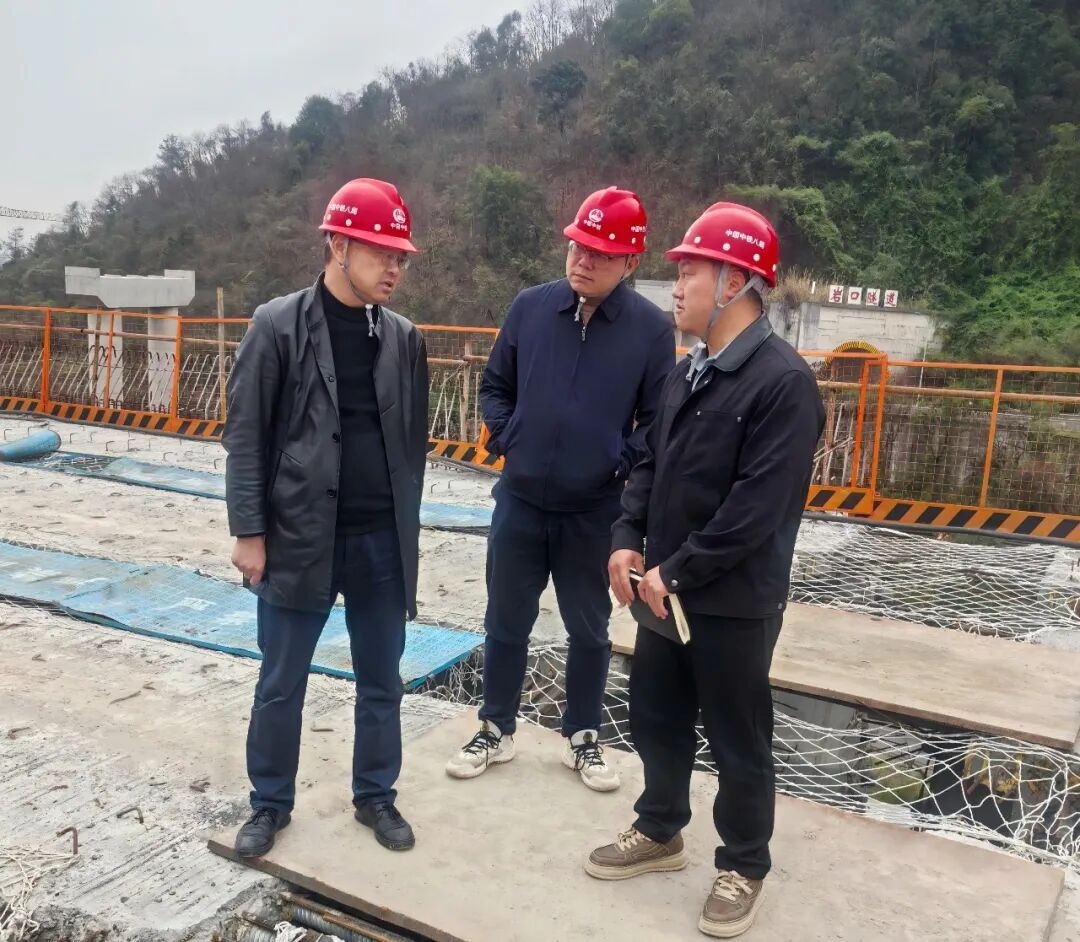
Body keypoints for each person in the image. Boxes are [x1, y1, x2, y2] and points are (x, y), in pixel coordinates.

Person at [587, 203, 825, 938]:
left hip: (732, 602)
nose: (676, 286)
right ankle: (660, 828)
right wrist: (627, 538)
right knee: (655, 716)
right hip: (664, 593)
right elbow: (649, 465)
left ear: (734, 282)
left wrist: (679, 570)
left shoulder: (783, 384)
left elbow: (757, 509)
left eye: (689, 271)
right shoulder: (685, 373)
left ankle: (744, 864)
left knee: (736, 736)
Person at [224, 178, 429, 857]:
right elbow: (246, 437)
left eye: (400, 257)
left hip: (379, 543)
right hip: (297, 538)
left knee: (382, 681)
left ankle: (376, 796)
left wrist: (404, 534)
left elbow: (411, 447)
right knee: (281, 682)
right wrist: (250, 532)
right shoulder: (277, 326)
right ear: (338, 244)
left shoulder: (403, 339)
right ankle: (268, 804)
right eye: (380, 253)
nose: (393, 268)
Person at [446, 187, 674, 791]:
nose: (583, 260)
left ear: (630, 262)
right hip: (520, 501)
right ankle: (495, 728)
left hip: (593, 511)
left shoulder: (651, 330)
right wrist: (511, 436)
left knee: (589, 629)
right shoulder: (531, 307)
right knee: (505, 619)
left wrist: (616, 462)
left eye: (601, 252)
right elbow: (495, 385)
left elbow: (657, 423)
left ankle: (583, 736)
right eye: (577, 246)